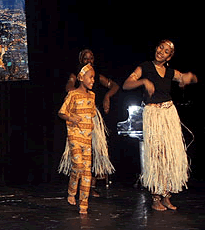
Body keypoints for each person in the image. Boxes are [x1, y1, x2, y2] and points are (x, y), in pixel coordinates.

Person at [122, 39, 198, 211]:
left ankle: (167, 196)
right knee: (156, 155)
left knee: (169, 155)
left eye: (165, 51)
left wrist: (189, 77)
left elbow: (187, 78)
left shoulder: (170, 72)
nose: (161, 51)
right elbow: (126, 84)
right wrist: (143, 82)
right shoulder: (145, 67)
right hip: (153, 115)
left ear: (169, 56)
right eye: (160, 47)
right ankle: (155, 197)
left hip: (169, 113)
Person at [58, 64, 114, 214]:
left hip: (87, 138)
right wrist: (71, 117)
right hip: (75, 135)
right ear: (81, 78)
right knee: (77, 165)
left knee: (87, 172)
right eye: (91, 77)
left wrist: (92, 126)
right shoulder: (72, 94)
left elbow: (92, 114)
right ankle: (71, 191)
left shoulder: (92, 96)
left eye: (94, 78)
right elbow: (61, 113)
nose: (93, 80)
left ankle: (83, 204)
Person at [66, 49, 119, 197]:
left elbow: (114, 85)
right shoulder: (77, 75)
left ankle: (91, 186)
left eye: (91, 59)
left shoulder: (95, 75)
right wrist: (77, 95)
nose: (88, 61)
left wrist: (107, 96)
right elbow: (69, 87)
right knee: (80, 153)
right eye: (85, 59)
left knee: (95, 150)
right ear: (81, 61)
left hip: (92, 116)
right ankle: (78, 187)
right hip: (79, 116)